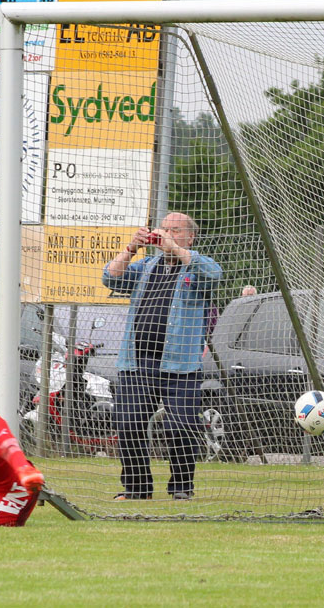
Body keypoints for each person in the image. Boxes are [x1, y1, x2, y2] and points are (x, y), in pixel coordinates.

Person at [102, 212, 222, 500]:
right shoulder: (146, 267)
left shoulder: (196, 268)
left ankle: (181, 488)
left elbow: (215, 275)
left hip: (181, 365)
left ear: (190, 237)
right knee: (129, 424)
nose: (166, 234)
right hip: (136, 362)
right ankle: (137, 489)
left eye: (175, 230)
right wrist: (131, 247)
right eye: (164, 229)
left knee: (181, 426)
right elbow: (110, 278)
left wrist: (175, 249)